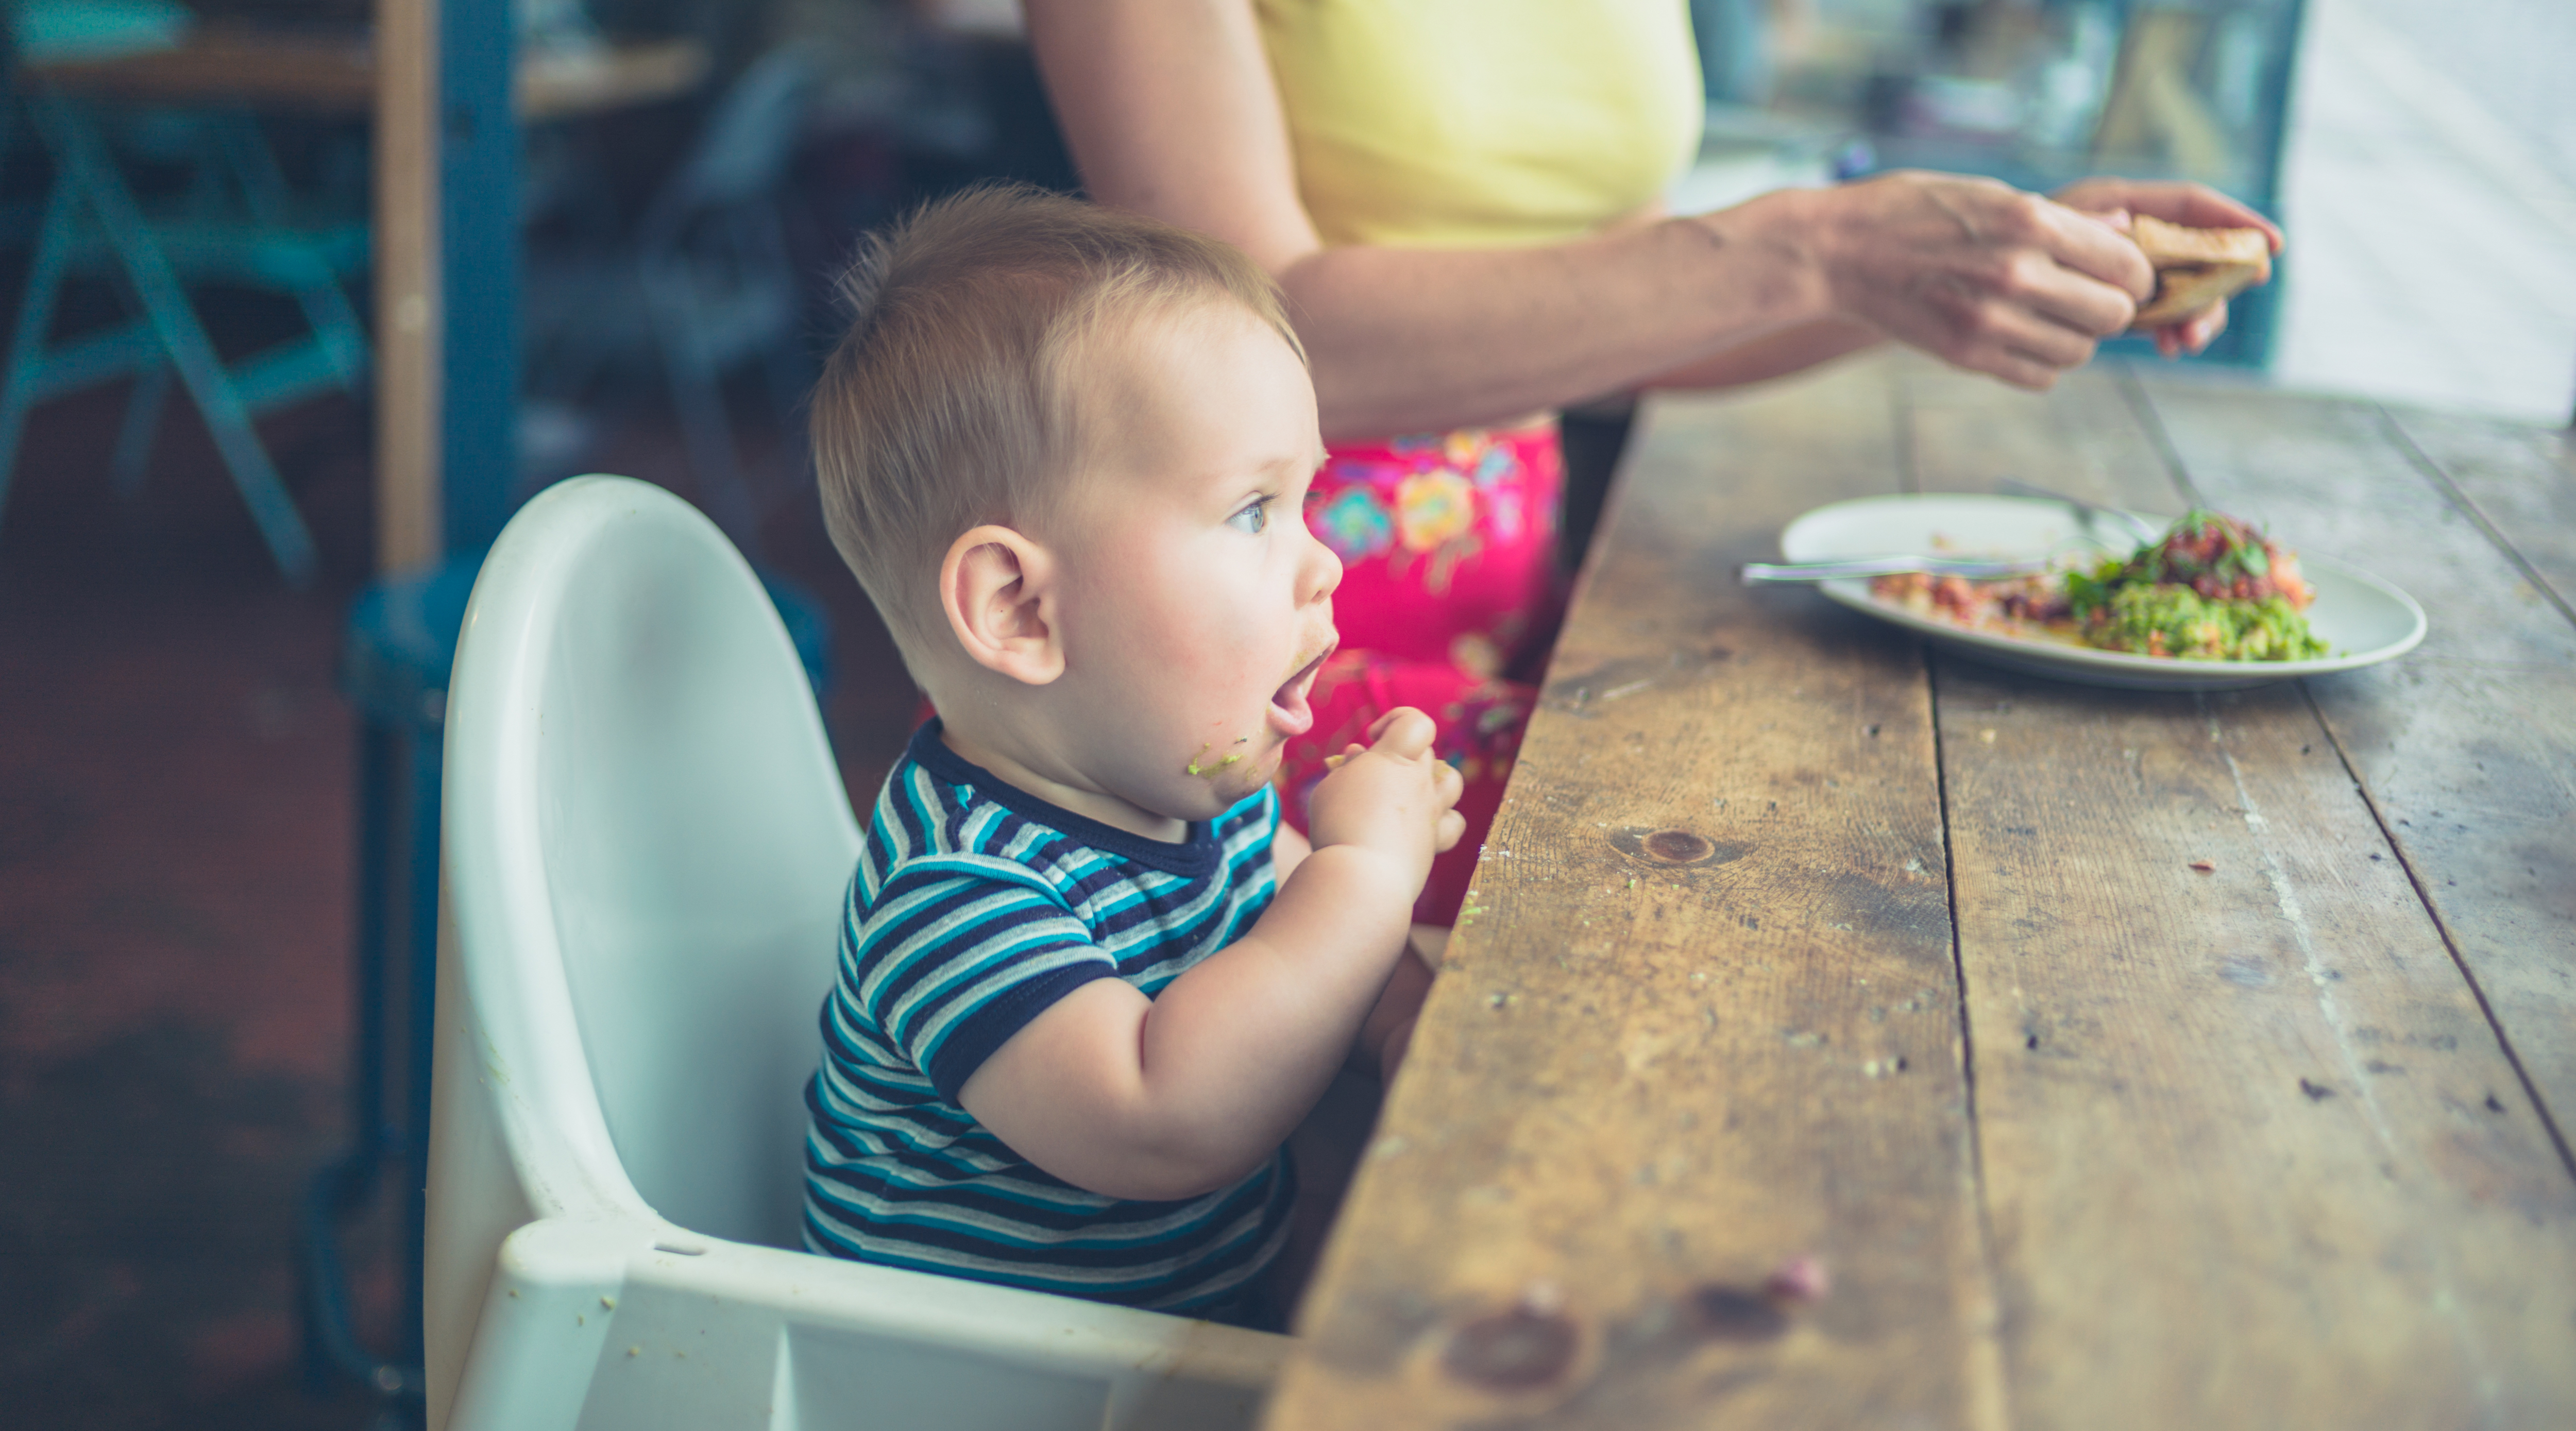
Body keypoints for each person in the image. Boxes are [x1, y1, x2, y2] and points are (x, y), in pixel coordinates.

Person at [1022, 0, 2285, 923]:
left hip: (1504, 610)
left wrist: (1948, 267)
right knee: (1756, 858)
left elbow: (1610, 305)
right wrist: (1819, 247)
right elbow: (1269, 332)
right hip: (1229, 673)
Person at [798, 185, 1462, 1324]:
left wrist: (1414, 1033)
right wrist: (1369, 875)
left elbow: (1316, 963)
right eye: (1255, 513)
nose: (1323, 567)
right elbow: (1171, 1120)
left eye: (1307, 504)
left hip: (1179, 1339)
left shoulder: (1194, 781)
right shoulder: (955, 896)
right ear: (1020, 610)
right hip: (975, 1394)